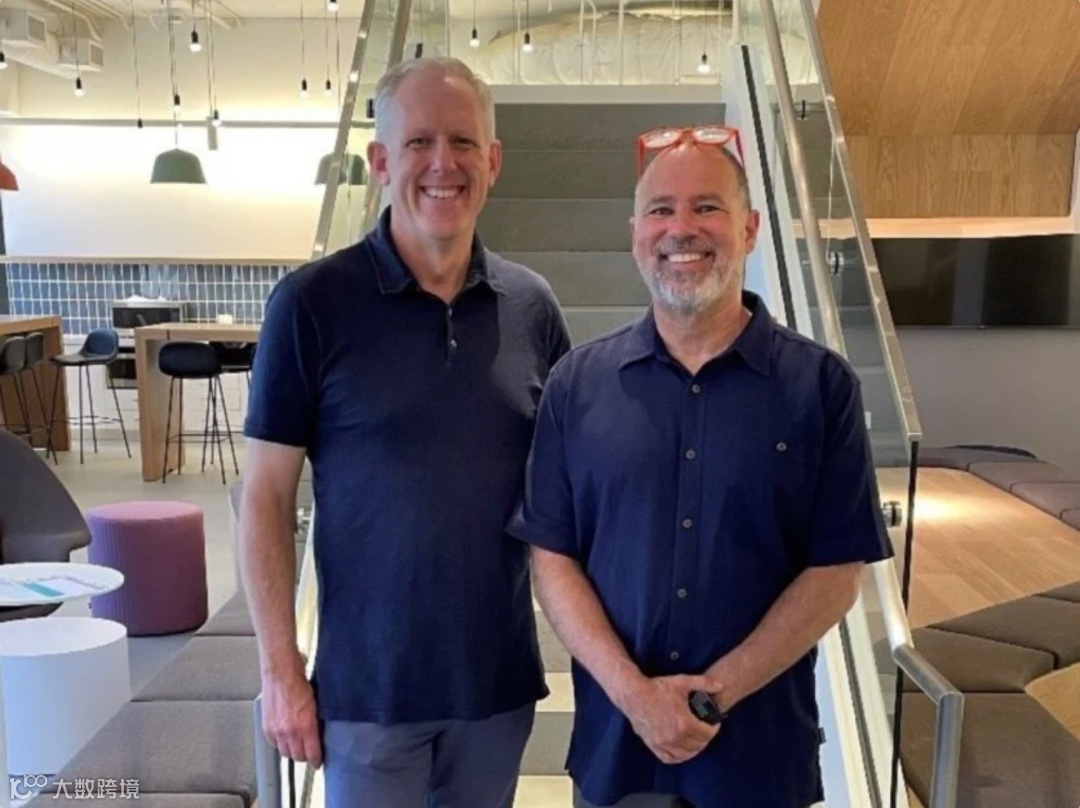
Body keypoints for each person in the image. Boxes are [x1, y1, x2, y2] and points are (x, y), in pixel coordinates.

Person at [508, 125, 891, 808]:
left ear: (750, 229)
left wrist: (712, 698)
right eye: (661, 210)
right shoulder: (576, 386)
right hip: (617, 753)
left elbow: (836, 573)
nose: (681, 229)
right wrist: (636, 697)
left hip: (759, 759)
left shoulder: (820, 387)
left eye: (707, 207)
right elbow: (552, 558)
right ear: (635, 234)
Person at [238, 56, 571, 808]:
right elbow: (265, 497)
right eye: (419, 142)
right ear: (382, 162)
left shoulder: (532, 307)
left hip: (496, 689)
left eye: (462, 142)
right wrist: (280, 671)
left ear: (493, 161)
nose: (442, 163)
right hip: (367, 695)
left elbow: (570, 494)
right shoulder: (311, 304)